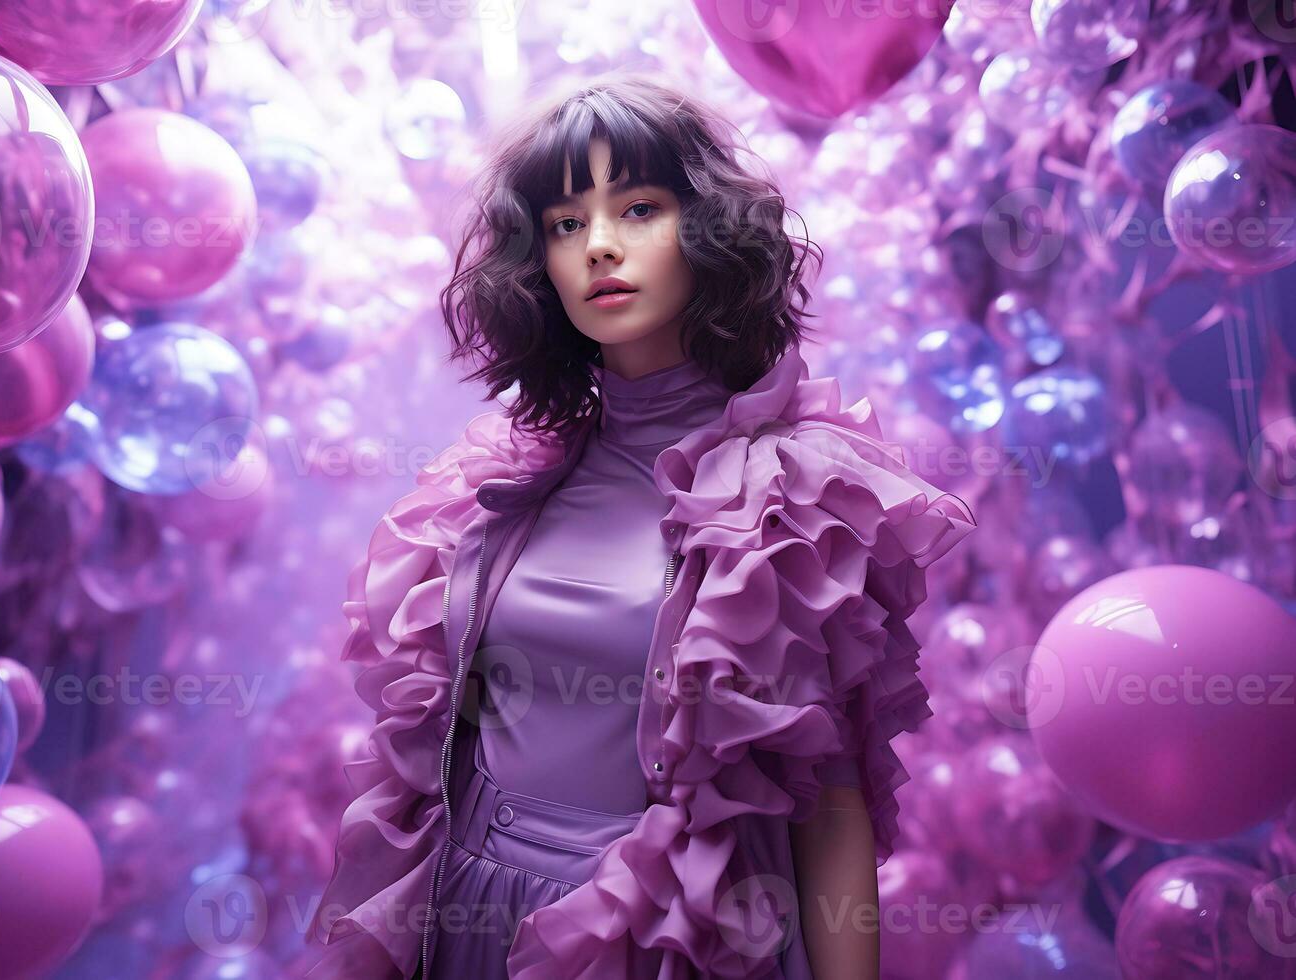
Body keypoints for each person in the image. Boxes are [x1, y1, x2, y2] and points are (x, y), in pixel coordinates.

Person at [306, 71, 977, 979]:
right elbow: (432, 748)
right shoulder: (495, 486)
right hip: (465, 918)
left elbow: (830, 801)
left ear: (706, 229)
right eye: (566, 224)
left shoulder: (796, 495)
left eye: (640, 208)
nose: (600, 249)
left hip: (658, 938)